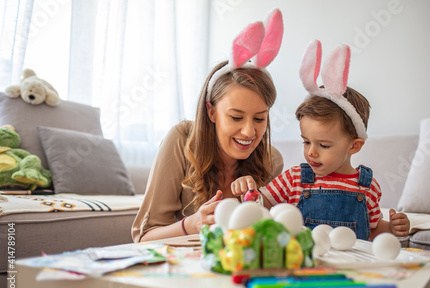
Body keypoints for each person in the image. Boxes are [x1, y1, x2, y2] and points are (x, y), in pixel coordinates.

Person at [132, 9, 284, 243]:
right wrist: (191, 225)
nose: (249, 132)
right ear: (211, 111)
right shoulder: (181, 140)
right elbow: (143, 238)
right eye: (236, 117)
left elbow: (269, 240)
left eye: (259, 119)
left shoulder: (271, 160)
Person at [231, 41, 410, 240]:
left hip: (350, 265)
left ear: (354, 145)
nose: (311, 153)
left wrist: (393, 228)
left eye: (323, 145)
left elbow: (372, 230)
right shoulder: (294, 179)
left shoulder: (367, 186)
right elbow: (258, 208)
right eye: (306, 142)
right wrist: (248, 191)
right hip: (304, 262)